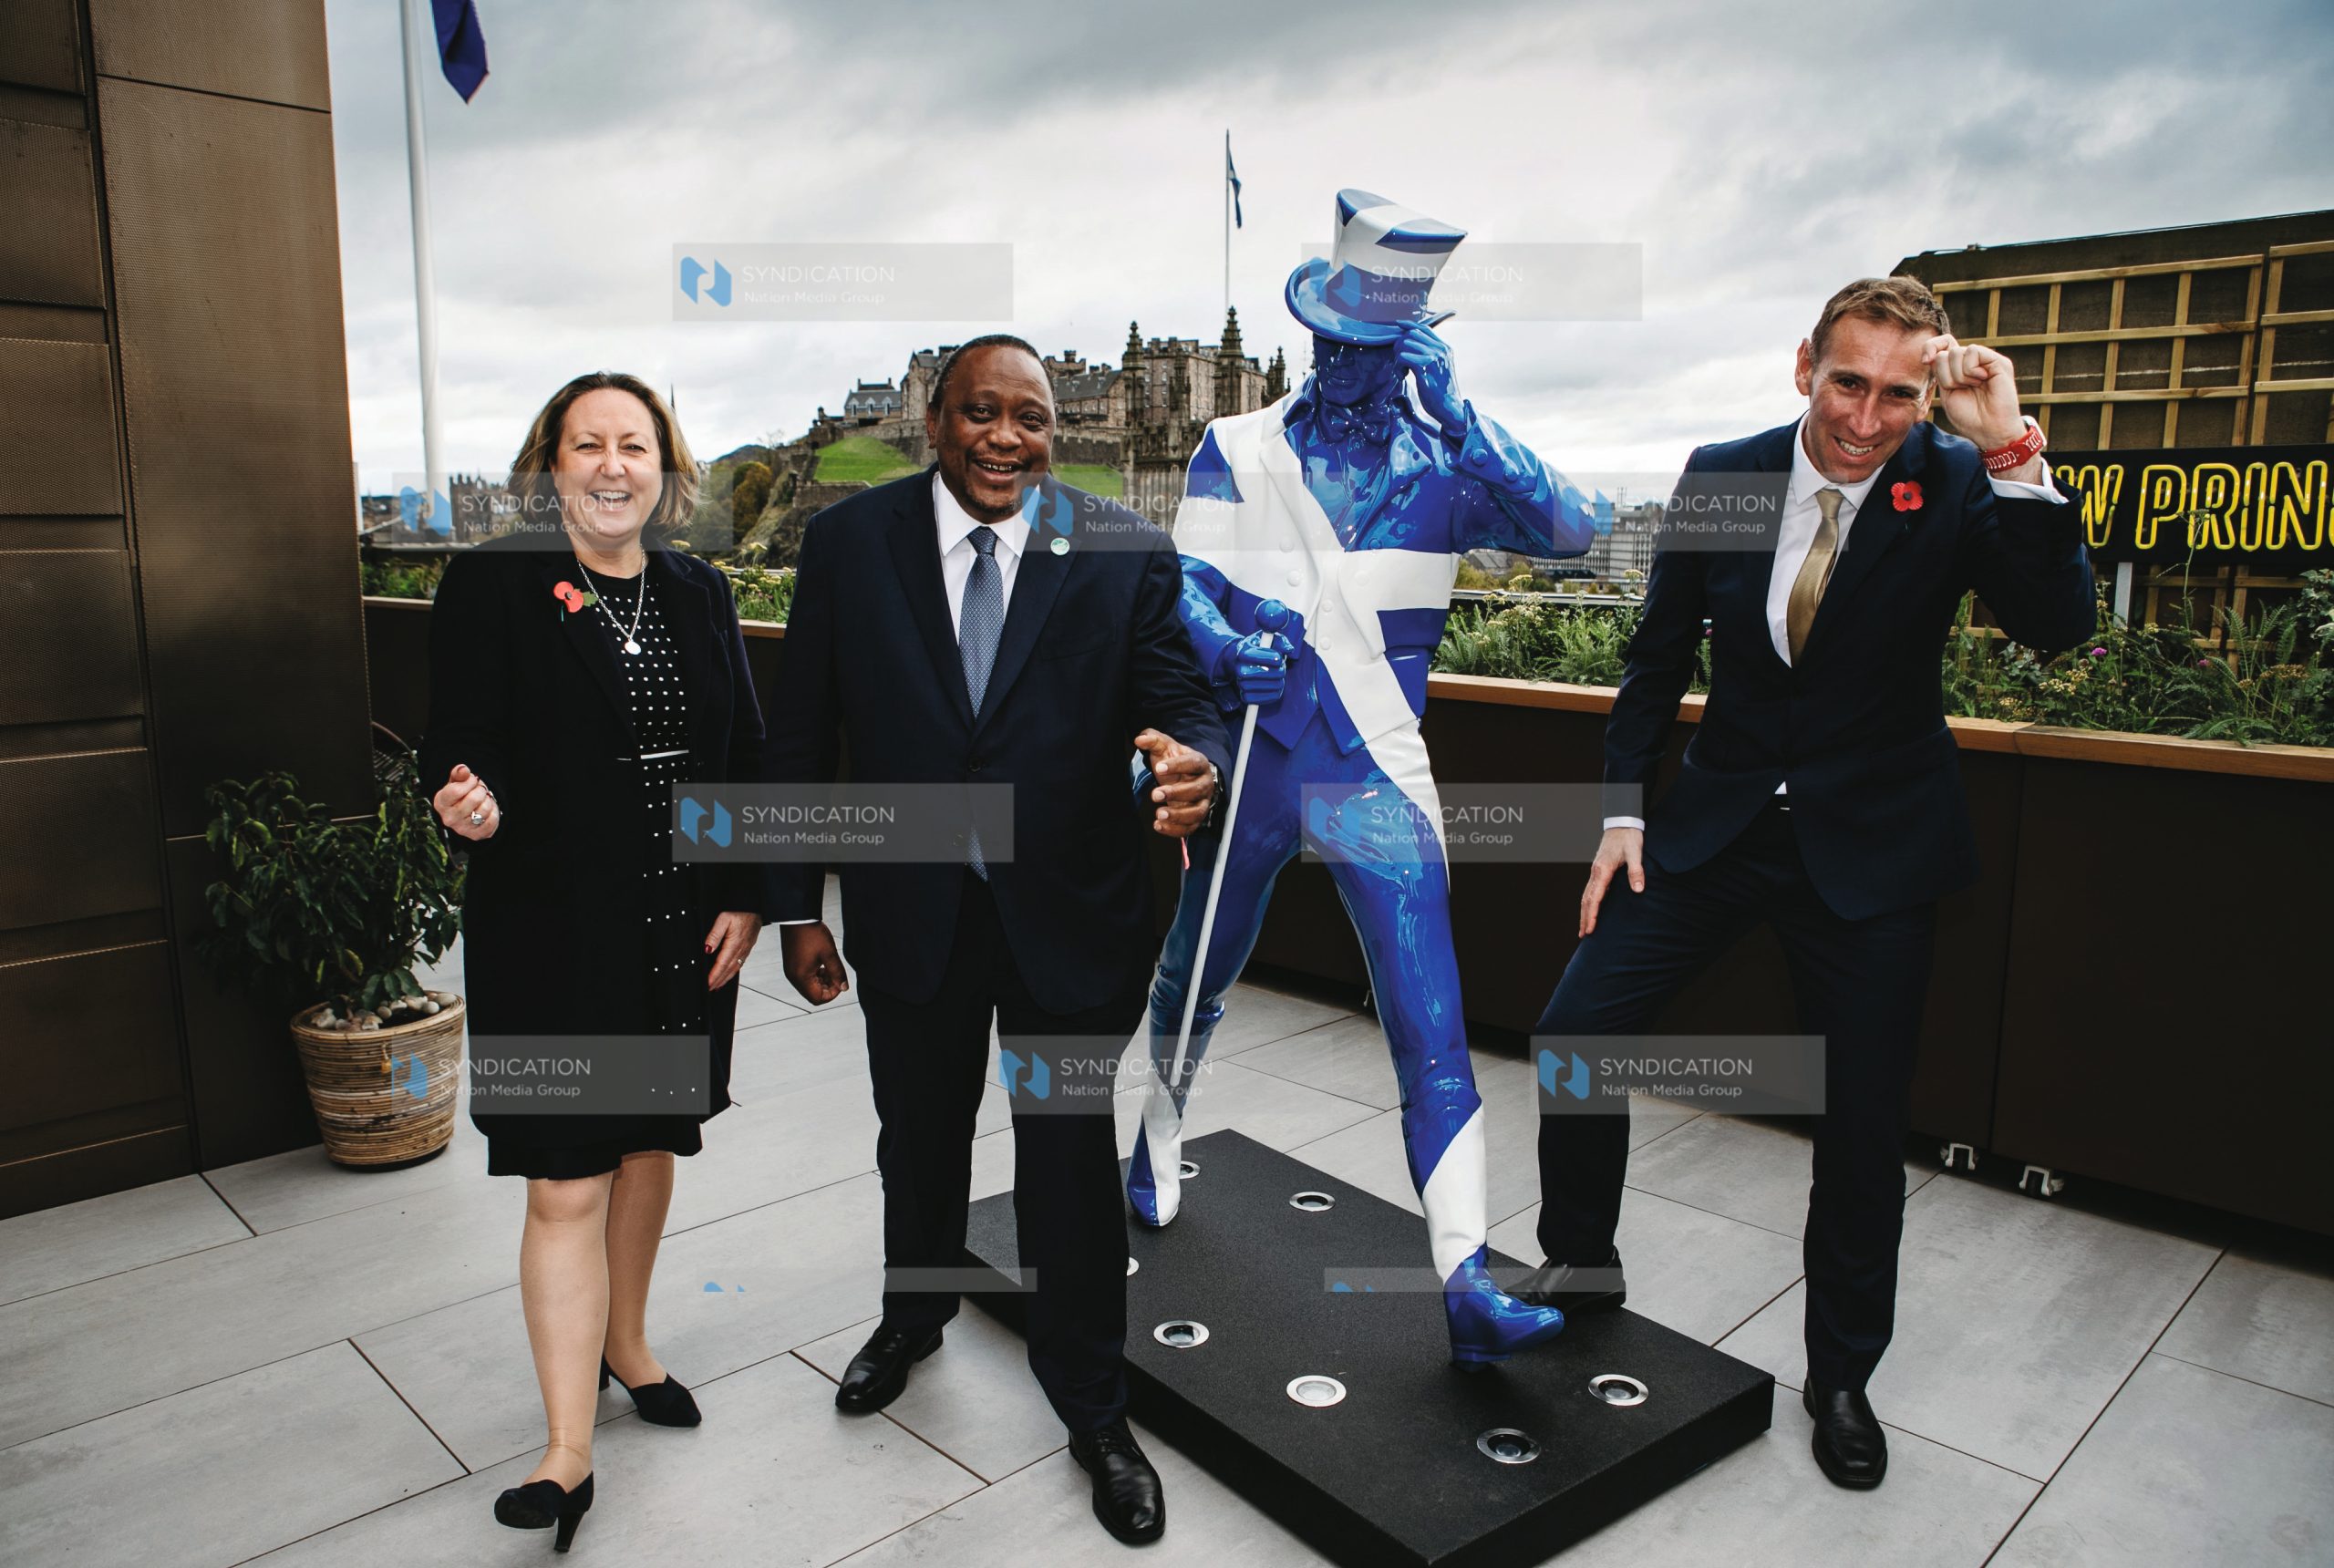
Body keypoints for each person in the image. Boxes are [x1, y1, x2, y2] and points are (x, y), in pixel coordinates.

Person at [1523, 276, 2095, 1490]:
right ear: (1803, 367)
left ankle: (1841, 1373)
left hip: (1875, 848)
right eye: (1849, 382)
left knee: (1859, 1125)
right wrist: (1623, 809)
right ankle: (1578, 1272)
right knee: (1575, 1035)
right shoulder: (1724, 472)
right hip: (1717, 829)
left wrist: (2008, 453)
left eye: (1901, 391)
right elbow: (1657, 652)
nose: (1868, 416)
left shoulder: (1950, 478)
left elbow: (2057, 623)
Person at [766, 335, 1231, 1547]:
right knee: (916, 1139)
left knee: (1068, 1163)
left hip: (1070, 923)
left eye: (1030, 417)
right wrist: (789, 904)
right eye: (982, 412)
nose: (1006, 438)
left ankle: (1095, 1411)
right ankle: (911, 1318)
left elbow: (1183, 699)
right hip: (911, 917)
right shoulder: (849, 546)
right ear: (935, 418)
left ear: (1055, 430)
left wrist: (1196, 762)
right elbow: (800, 736)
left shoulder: (1122, 547)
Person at [1125, 190, 1599, 1368]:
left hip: (1376, 768)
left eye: (1371, 349)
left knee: (1430, 1016)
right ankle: (1160, 1128)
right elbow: (1177, 585)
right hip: (1254, 756)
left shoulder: (1451, 461)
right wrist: (1222, 645)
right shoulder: (1240, 449)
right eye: (1331, 341)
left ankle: (1464, 1273)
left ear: (1411, 353)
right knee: (1199, 969)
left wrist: (1466, 417)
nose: (1342, 366)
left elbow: (1576, 527)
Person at [420, 371, 778, 1552]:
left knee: (649, 1143)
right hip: (550, 929)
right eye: (588, 446)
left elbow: (746, 757)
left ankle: (631, 1343)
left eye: (635, 445)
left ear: (664, 469)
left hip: (678, 929)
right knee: (565, 1179)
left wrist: (747, 898)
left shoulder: (699, 590)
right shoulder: (493, 585)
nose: (613, 465)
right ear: (551, 465)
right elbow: (461, 741)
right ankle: (568, 1450)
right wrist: (468, 798)